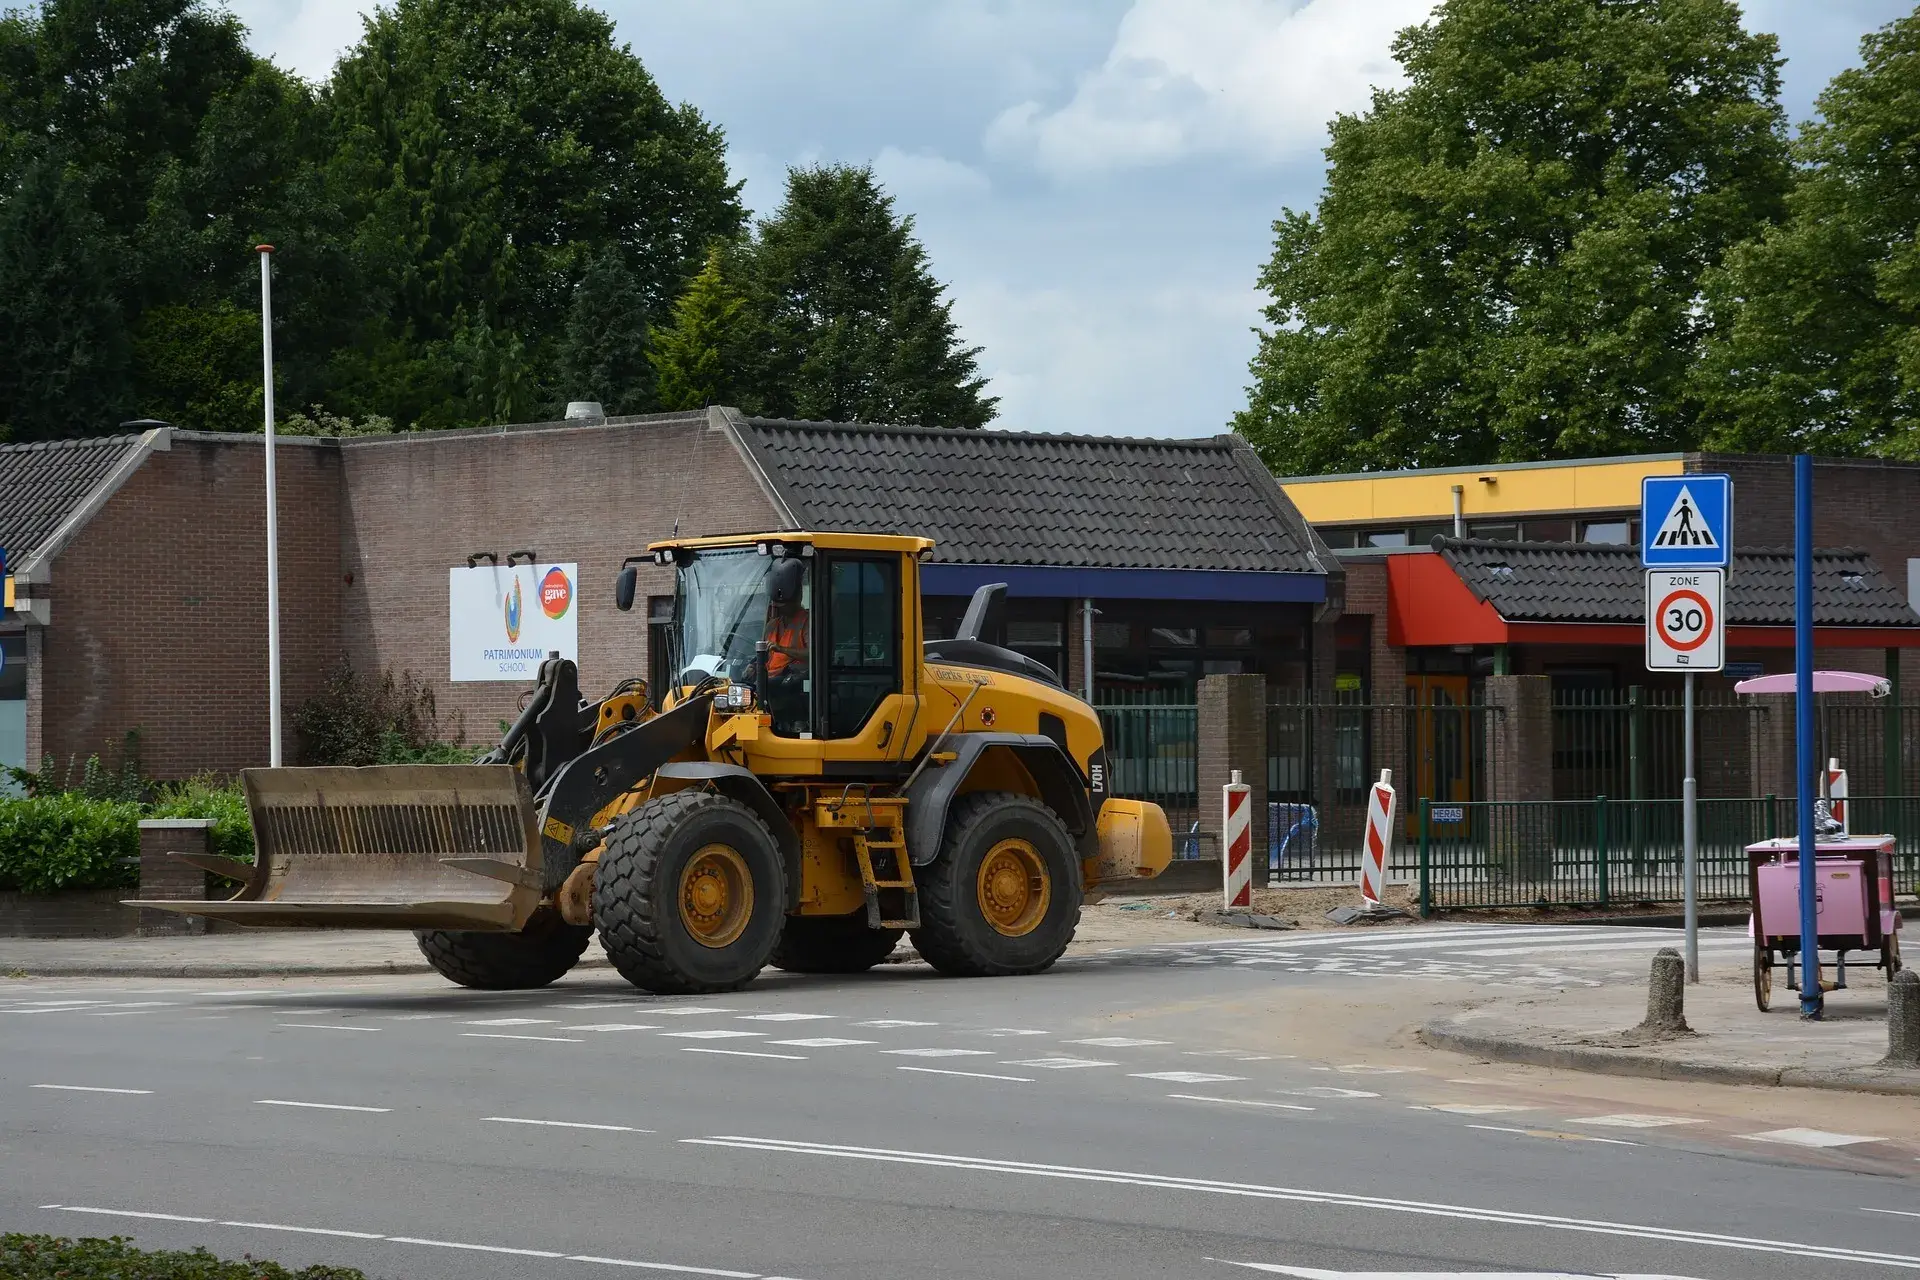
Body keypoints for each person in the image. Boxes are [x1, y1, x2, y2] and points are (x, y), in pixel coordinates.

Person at [761, 557, 809, 733]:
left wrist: (780, 648)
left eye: (784, 604)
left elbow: (813, 655)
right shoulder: (772, 625)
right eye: (777, 605)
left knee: (770, 686)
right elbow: (765, 654)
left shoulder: (807, 621)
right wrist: (752, 666)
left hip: (798, 676)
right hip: (772, 675)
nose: (780, 608)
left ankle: (794, 724)